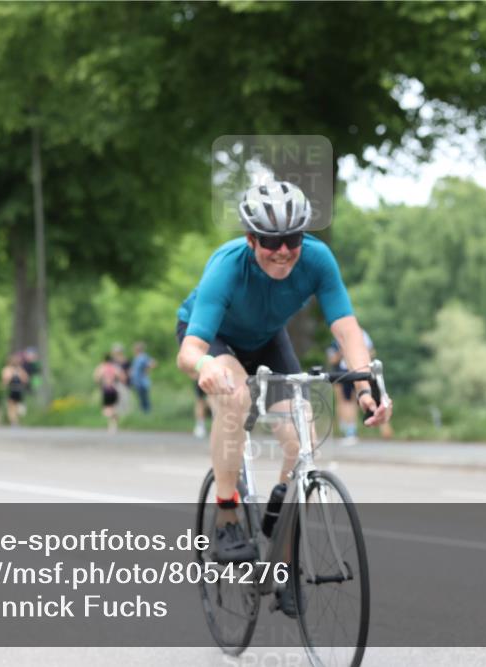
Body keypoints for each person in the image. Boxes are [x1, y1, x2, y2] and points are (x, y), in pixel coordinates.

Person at [175, 180, 393, 615]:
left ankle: (283, 557)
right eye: (271, 241)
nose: (283, 251)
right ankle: (227, 517)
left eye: (292, 239)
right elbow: (189, 351)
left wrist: (367, 387)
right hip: (214, 339)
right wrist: (207, 367)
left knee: (302, 438)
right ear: (251, 238)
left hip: (267, 339)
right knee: (235, 400)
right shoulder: (227, 266)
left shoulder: (316, 259)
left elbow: (347, 329)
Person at [327, 328, 394, 445]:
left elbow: (371, 351)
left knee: (351, 402)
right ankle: (349, 430)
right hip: (347, 372)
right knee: (350, 401)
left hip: (354, 372)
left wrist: (351, 353)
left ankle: (351, 431)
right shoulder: (337, 339)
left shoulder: (358, 335)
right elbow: (333, 359)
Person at [94, 354, 127, 433]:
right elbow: (123, 377)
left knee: (107, 409)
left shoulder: (102, 367)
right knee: (112, 407)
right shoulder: (115, 367)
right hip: (114, 389)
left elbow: (96, 378)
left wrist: (100, 382)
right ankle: (113, 425)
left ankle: (112, 424)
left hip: (106, 390)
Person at [1, 354, 29, 426]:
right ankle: (14, 421)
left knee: (12, 406)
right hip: (16, 389)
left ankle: (14, 421)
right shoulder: (17, 369)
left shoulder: (9, 369)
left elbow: (5, 380)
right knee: (13, 405)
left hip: (14, 389)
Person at [129, 342, 156, 413]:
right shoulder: (137, 357)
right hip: (137, 381)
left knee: (144, 398)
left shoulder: (143, 357)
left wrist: (147, 370)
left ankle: (147, 412)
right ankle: (144, 413)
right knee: (141, 398)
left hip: (142, 381)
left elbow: (152, 363)